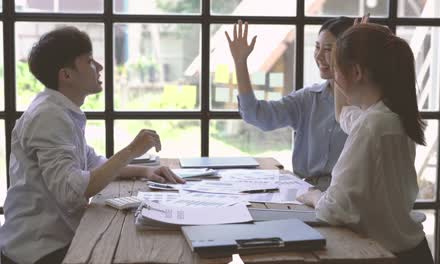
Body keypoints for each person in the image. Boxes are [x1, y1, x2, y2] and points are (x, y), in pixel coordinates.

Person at [0, 26, 185, 264]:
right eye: (89, 61)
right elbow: (71, 191)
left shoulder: (59, 110)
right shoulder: (48, 116)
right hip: (39, 251)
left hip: (54, 241)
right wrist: (130, 151)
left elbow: (92, 164)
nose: (99, 67)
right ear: (66, 75)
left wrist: (146, 171)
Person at [297, 21, 434, 264]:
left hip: (386, 256)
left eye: (336, 68)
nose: (333, 77)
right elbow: (344, 116)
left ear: (357, 72)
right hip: (413, 251)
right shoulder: (392, 116)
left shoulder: (372, 126)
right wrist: (346, 46)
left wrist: (313, 195)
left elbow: (333, 209)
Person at [225, 17, 354, 191]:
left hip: (345, 200)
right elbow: (256, 115)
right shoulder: (307, 99)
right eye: (317, 47)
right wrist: (240, 63)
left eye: (329, 49)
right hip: (304, 194)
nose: (319, 56)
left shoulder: (367, 105)